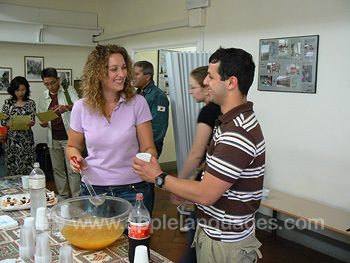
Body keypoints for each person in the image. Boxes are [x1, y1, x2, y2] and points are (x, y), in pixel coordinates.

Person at [133, 47, 265, 263]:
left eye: (211, 77)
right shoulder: (228, 122)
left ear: (231, 82)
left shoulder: (237, 133)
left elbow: (206, 194)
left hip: (224, 244)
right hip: (216, 235)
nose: (205, 83)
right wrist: (185, 189)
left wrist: (159, 177)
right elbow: (214, 180)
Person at [66, 44, 157, 214]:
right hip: (95, 191)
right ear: (98, 73)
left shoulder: (138, 103)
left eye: (123, 68)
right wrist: (76, 159)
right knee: (99, 239)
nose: (122, 74)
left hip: (134, 188)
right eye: (114, 69)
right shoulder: (80, 108)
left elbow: (148, 147)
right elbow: (72, 147)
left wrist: (149, 159)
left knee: (136, 240)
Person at [174, 66, 221, 263]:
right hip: (220, 184)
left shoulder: (208, 112)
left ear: (206, 86)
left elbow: (196, 153)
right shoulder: (224, 109)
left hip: (207, 184)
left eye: (193, 87)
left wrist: (179, 184)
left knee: (194, 247)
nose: (190, 91)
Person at [38, 67, 80, 199]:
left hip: (69, 138)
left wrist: (66, 108)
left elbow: (79, 105)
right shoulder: (44, 96)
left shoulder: (68, 90)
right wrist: (43, 123)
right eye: (46, 84)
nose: (50, 86)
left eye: (52, 83)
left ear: (58, 80)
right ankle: (63, 197)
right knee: (57, 170)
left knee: (72, 169)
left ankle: (76, 198)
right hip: (53, 137)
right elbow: (42, 117)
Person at [1, 76, 36, 176]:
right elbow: (3, 121)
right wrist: (13, 124)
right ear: (13, 90)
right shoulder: (7, 103)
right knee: (12, 168)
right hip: (12, 140)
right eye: (17, 90)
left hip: (26, 140)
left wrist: (31, 123)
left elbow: (32, 120)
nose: (20, 93)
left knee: (28, 168)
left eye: (23, 90)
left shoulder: (30, 103)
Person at [133, 61, 169, 158]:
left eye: (136, 74)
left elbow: (158, 129)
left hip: (147, 148)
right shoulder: (138, 94)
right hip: (136, 146)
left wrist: (145, 146)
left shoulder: (158, 96)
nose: (132, 77)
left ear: (148, 77)